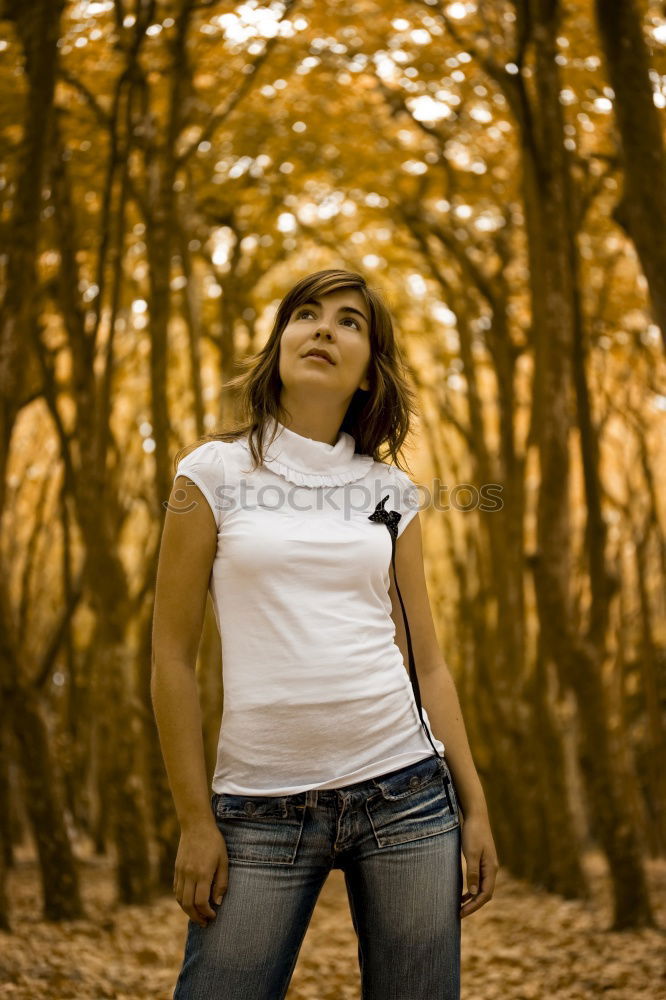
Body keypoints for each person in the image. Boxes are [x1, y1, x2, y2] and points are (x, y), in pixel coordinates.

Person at [151, 268, 498, 1000]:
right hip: (258, 808)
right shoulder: (211, 472)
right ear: (279, 343)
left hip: (406, 793)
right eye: (306, 314)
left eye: (349, 322)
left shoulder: (391, 493)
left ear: (371, 370)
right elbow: (172, 657)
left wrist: (476, 807)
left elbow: (426, 662)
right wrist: (193, 820)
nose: (323, 330)